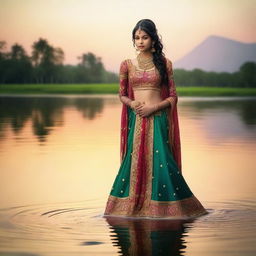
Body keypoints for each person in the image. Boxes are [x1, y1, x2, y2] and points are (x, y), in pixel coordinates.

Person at [103, 19, 208, 218]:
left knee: (163, 162)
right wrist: (132, 103)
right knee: (132, 162)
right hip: (137, 120)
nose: (140, 41)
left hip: (158, 119)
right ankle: (131, 208)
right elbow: (122, 94)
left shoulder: (165, 64)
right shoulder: (126, 65)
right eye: (137, 38)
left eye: (145, 37)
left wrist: (154, 107)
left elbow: (173, 96)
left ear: (153, 39)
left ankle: (174, 208)